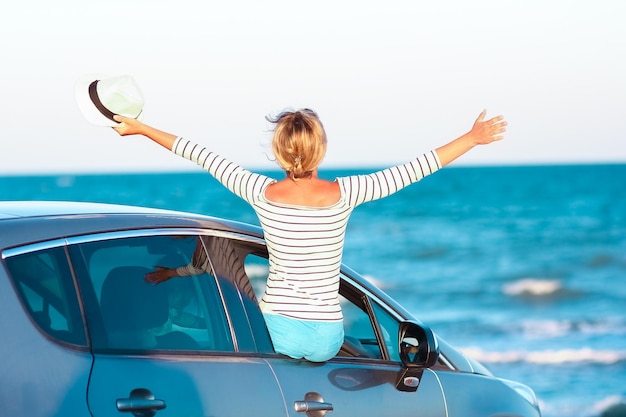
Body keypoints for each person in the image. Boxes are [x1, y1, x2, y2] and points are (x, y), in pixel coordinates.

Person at [107, 107, 506, 362]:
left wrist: (141, 128)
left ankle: (185, 317)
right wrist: (472, 138)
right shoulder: (346, 193)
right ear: (320, 150)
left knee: (223, 280)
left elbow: (200, 154)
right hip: (326, 339)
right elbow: (415, 168)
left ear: (279, 153)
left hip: (276, 330)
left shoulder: (260, 192)